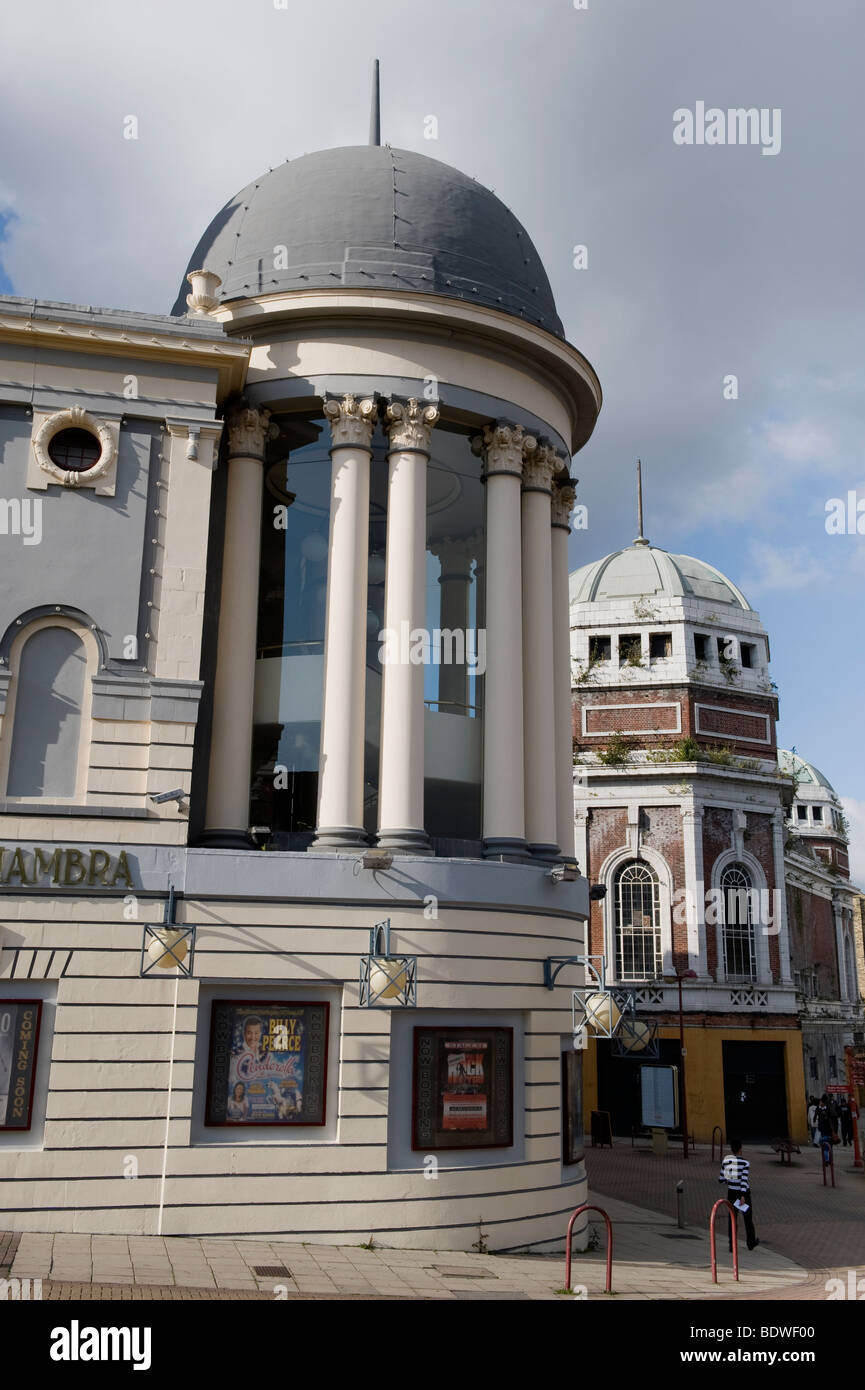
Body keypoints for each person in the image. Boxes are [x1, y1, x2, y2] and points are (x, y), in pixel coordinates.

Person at [719, 1138, 759, 1252]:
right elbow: (744, 1180)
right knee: (748, 1219)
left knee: (732, 1217)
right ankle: (751, 1242)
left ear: (732, 1149)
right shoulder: (745, 1163)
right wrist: (742, 1195)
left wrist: (729, 1180)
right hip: (743, 1193)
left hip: (731, 1192)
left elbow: (721, 1179)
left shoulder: (726, 1162)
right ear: (740, 1149)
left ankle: (732, 1244)